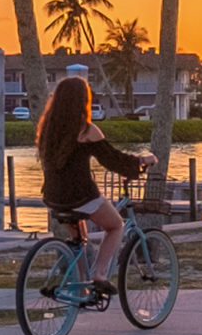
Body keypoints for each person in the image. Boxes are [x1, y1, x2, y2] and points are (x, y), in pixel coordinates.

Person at [36, 74, 155, 298]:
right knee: (116, 225)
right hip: (81, 196)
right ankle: (100, 275)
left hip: (54, 197)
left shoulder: (48, 131)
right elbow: (113, 160)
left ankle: (82, 290)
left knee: (78, 240)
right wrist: (141, 161)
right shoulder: (86, 130)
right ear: (83, 101)